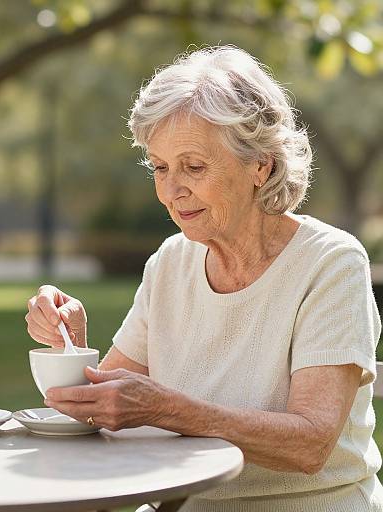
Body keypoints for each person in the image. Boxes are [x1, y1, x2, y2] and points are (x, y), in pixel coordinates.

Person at [25, 46, 383, 511]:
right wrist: (69, 343)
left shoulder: (330, 263)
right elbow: (104, 405)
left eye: (194, 166)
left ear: (261, 165)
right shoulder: (172, 261)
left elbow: (310, 444)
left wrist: (169, 410)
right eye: (160, 167)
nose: (172, 190)